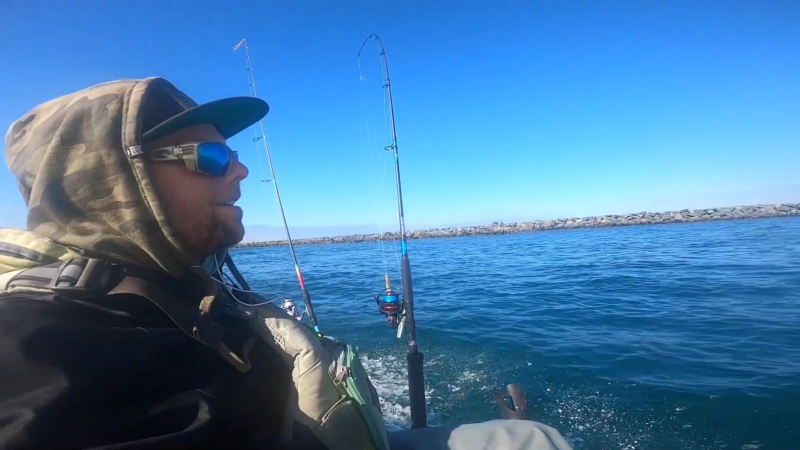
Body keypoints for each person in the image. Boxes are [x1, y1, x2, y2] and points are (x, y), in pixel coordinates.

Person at [0, 78, 572, 450]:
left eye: (235, 155)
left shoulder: (177, 287)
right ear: (111, 182)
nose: (239, 171)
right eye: (210, 157)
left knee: (531, 438)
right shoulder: (46, 350)